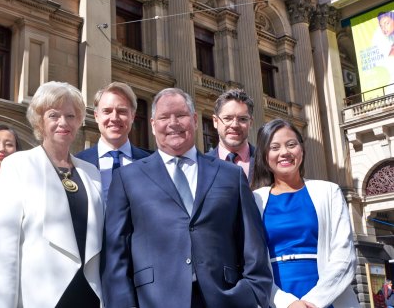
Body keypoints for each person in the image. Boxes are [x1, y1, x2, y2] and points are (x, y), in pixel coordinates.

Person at [103, 88, 271, 307]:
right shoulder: (128, 178)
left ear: (194, 120)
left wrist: (252, 293)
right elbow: (115, 257)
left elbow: (252, 244)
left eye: (181, 115)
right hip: (155, 301)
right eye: (164, 117)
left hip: (223, 300)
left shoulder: (230, 174)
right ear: (153, 125)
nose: (173, 123)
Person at [0, 81, 104, 308]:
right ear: (40, 121)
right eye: (54, 115)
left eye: (70, 116)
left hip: (89, 294)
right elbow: (4, 248)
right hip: (42, 297)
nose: (63, 122)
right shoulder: (18, 165)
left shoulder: (91, 172)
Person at [251, 119, 359, 308]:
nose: (284, 152)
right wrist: (288, 303)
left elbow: (344, 255)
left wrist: (312, 302)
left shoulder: (329, 191)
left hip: (327, 297)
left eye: (291, 145)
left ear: (301, 149)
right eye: (274, 147)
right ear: (265, 156)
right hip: (274, 298)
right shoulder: (255, 200)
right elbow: (252, 263)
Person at [76, 81, 150, 202]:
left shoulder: (152, 162)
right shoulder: (77, 164)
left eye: (122, 111)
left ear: (132, 116)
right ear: (96, 116)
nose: (114, 118)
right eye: (107, 111)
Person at [206, 88, 256, 183]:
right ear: (215, 121)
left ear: (251, 123)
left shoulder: (266, 161)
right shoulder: (201, 166)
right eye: (228, 118)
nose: (234, 125)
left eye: (242, 119)